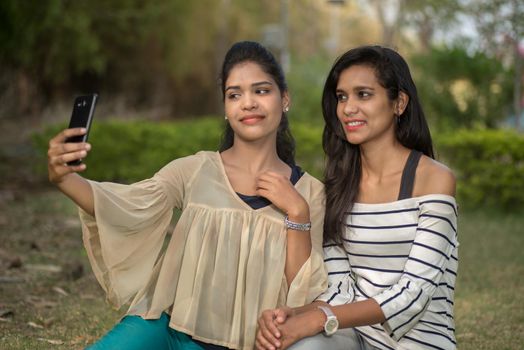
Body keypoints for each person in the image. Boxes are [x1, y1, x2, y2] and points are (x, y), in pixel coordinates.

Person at [47, 41, 327, 350]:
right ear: (225, 108)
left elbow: (302, 295)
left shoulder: (309, 193)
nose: (248, 103)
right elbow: (125, 207)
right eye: (235, 94)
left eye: (261, 91)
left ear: (284, 99)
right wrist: (64, 178)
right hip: (168, 331)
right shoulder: (195, 170)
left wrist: (297, 212)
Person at [256, 45, 458, 350]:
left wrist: (318, 319)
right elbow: (340, 288)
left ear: (399, 103)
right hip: (356, 337)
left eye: (363, 94)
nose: (348, 108)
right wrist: (293, 315)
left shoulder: (433, 179)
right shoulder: (340, 185)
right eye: (342, 97)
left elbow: (413, 294)